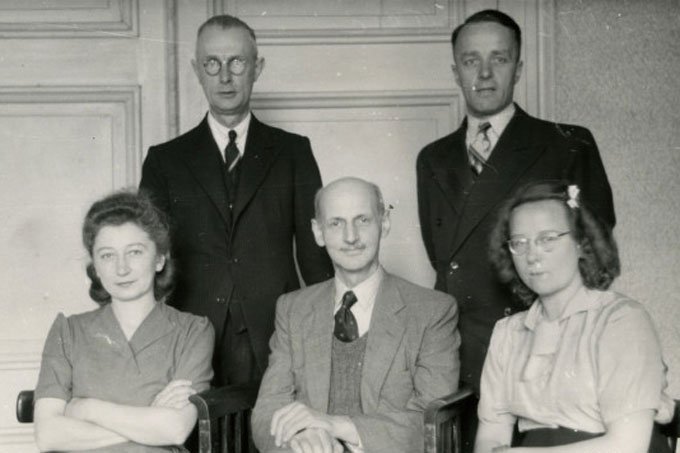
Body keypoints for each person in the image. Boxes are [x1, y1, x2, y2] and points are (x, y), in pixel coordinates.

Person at [416, 7, 616, 397]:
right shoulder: (432, 158)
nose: (485, 73)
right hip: (459, 353)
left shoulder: (566, 144)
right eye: (471, 61)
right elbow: (440, 255)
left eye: (499, 59)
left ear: (519, 69)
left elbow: (595, 254)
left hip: (543, 344)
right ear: (456, 72)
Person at [140, 15, 333, 386]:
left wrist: (327, 334)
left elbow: (315, 257)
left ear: (257, 68)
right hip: (191, 335)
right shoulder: (165, 161)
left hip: (278, 334)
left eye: (237, 62)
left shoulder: (293, 152)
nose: (225, 77)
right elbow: (149, 259)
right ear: (198, 70)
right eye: (212, 63)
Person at [252, 177, 461, 453]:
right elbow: (268, 410)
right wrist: (298, 442)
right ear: (318, 232)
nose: (350, 237)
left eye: (362, 220)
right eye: (336, 223)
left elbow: (429, 421)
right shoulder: (293, 309)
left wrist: (334, 426)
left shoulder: (433, 311)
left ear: (384, 223)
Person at [474, 180, 674, 453]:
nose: (532, 256)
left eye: (547, 239)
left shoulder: (621, 320)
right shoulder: (508, 333)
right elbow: (492, 435)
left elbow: (629, 445)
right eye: (519, 243)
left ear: (581, 243)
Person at [33, 191, 214, 453]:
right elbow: (48, 435)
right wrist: (148, 420)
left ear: (160, 259)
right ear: (94, 266)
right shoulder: (68, 331)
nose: (121, 268)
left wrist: (85, 408)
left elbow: (174, 429)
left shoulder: (193, 331)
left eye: (135, 252)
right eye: (107, 255)